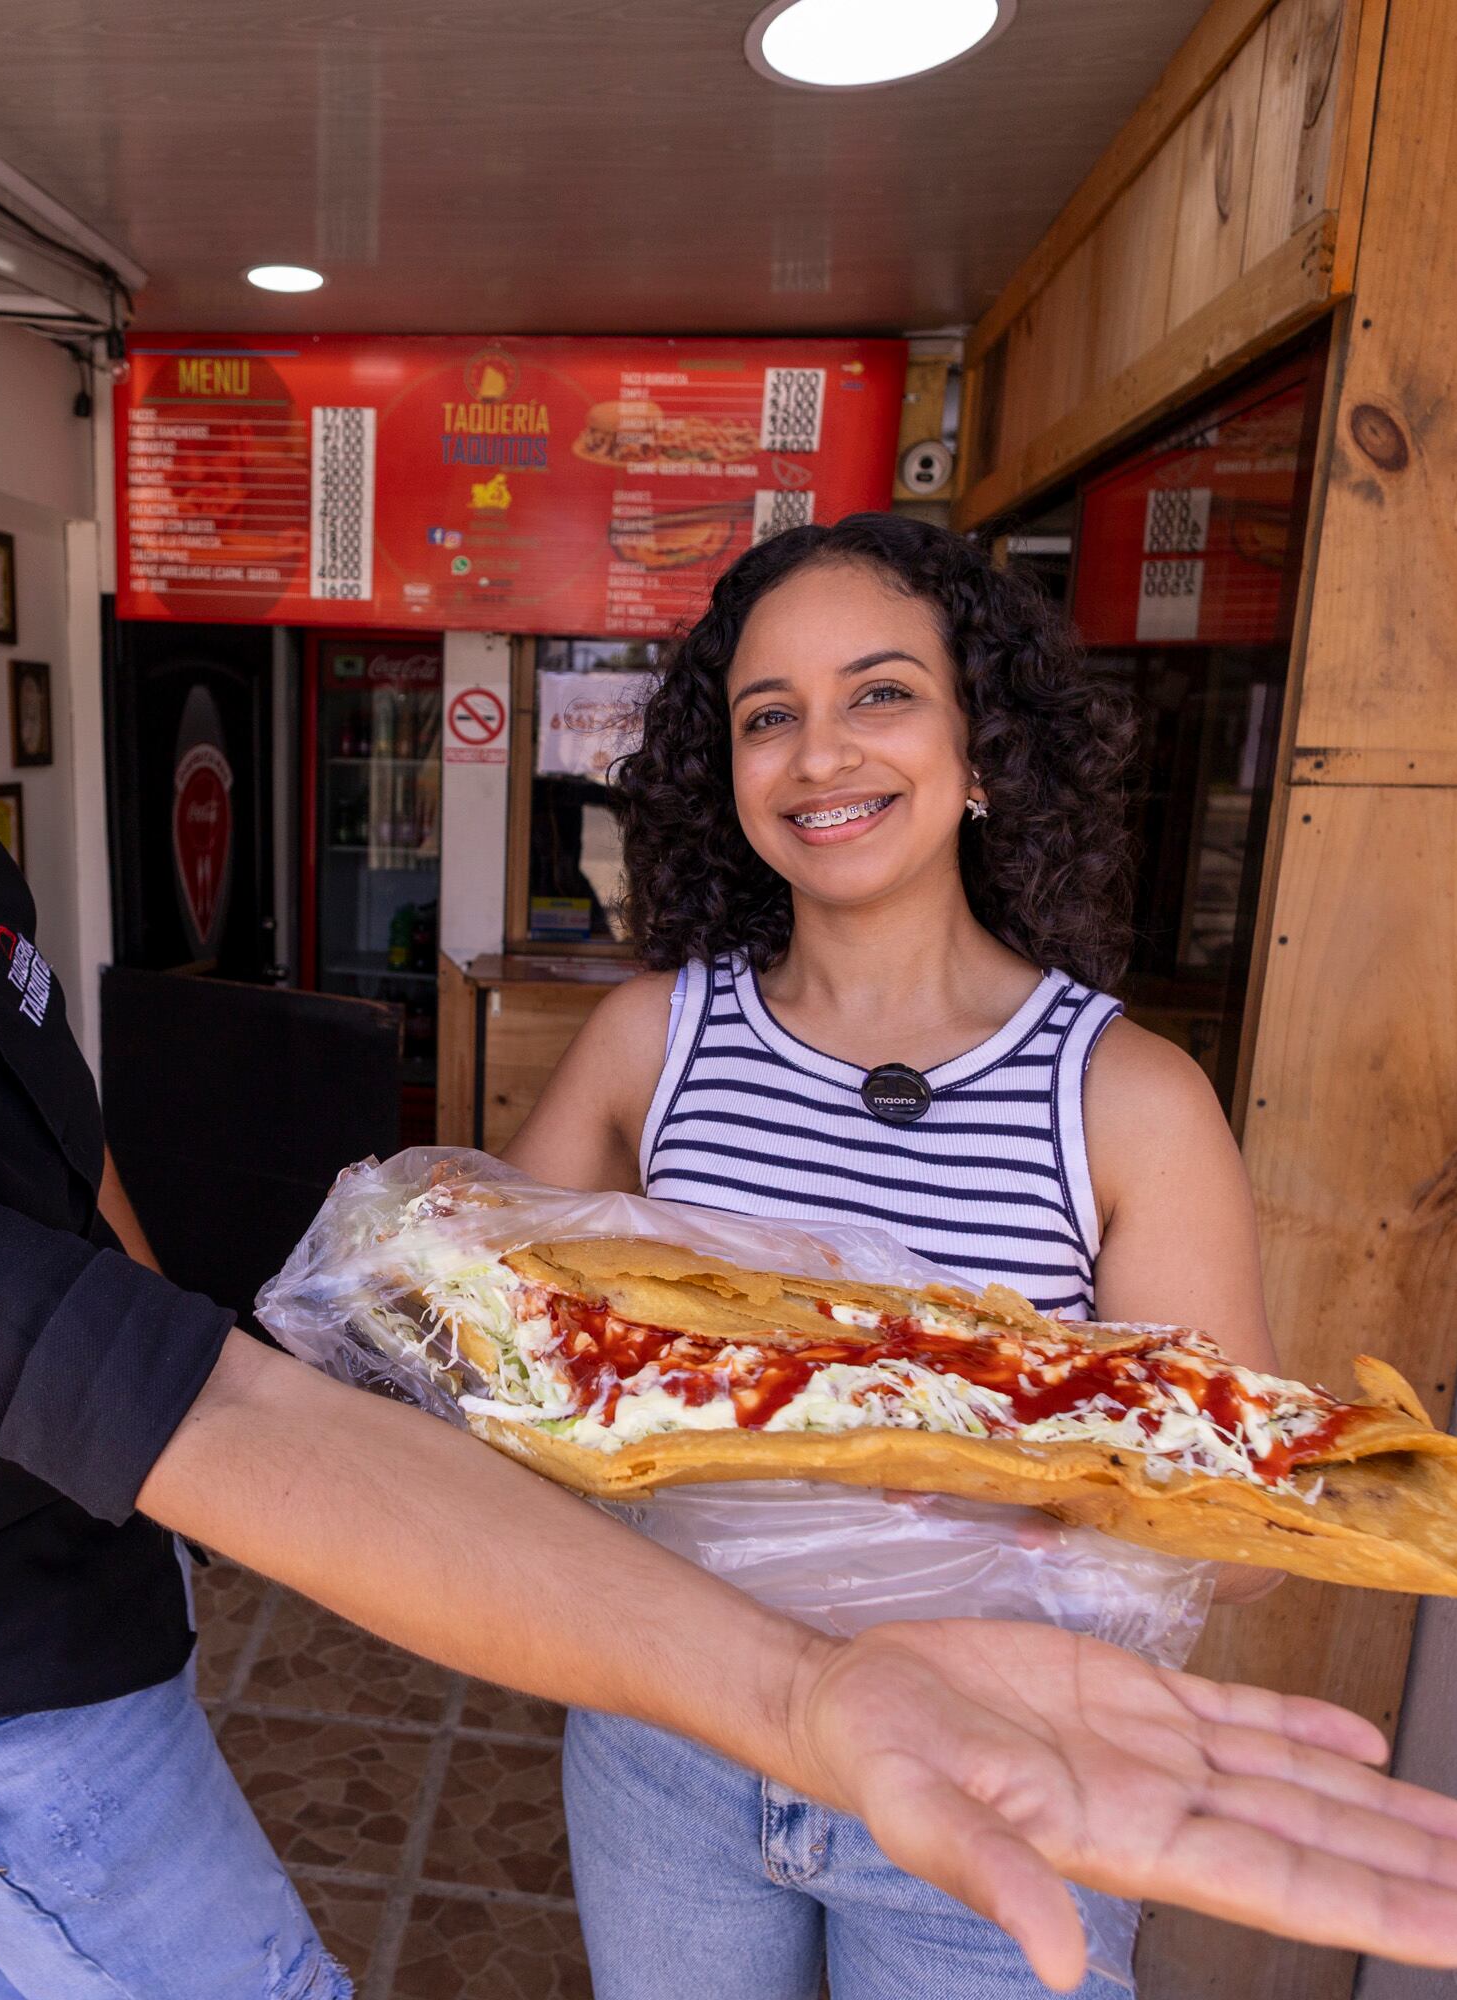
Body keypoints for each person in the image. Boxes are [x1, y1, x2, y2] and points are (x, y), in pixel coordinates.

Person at [0, 310, 1457, 2000]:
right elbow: (250, 1406)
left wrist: (213, 1362)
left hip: (145, 1565)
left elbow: (88, 1195)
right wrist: (809, 1677)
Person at [503, 513, 1297, 1998]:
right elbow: (483, 1353)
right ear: (721, 772)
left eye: (880, 694)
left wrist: (1008, 1444)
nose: (820, 756)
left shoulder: (1124, 1100)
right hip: (679, 1737)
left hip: (999, 1775)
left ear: (981, 742)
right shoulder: (647, 1047)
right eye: (768, 717)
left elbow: (1244, 1542)